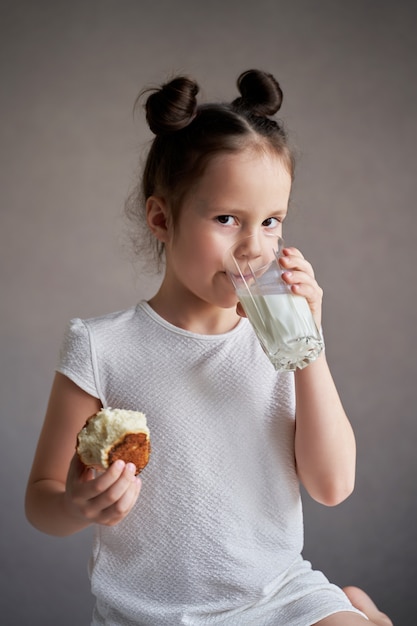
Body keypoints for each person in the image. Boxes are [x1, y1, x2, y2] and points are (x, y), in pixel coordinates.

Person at [25, 69, 392, 626]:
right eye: (227, 219)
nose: (254, 246)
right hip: (146, 613)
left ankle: (348, 611)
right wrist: (76, 504)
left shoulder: (283, 346)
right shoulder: (102, 346)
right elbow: (41, 500)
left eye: (272, 222)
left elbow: (333, 486)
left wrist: (308, 344)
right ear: (161, 219)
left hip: (278, 600)